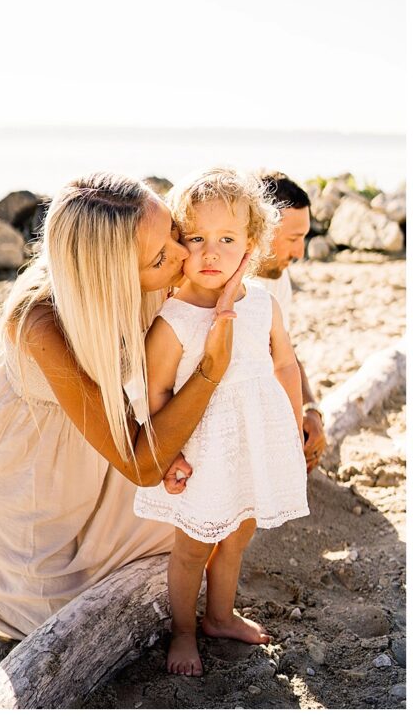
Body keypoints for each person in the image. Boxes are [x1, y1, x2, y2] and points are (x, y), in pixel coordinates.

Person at [0, 172, 247, 640]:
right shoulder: (40, 320)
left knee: (198, 526)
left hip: (112, 434)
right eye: (161, 256)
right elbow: (141, 464)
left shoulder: (161, 270)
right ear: (112, 275)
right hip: (32, 461)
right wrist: (212, 370)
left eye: (173, 230)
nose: (184, 253)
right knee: (47, 618)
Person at [134, 167, 309, 676]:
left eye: (227, 239)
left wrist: (291, 429)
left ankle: (220, 614)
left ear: (252, 244)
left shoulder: (263, 303)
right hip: (200, 452)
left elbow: (284, 364)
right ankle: (183, 632)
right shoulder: (175, 318)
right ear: (179, 242)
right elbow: (155, 391)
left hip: (254, 440)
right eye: (197, 238)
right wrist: (170, 451)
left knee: (239, 532)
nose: (211, 253)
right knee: (193, 547)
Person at [252, 170, 326, 471]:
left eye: (305, 238)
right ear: (261, 230)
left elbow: (285, 351)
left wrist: (310, 409)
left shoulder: (278, 278)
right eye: (294, 239)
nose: (300, 252)